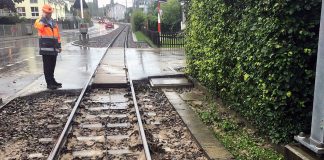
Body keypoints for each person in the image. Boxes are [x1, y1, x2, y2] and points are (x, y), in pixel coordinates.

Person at [34, 4, 62, 90]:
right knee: (47, 67)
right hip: (46, 49)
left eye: (50, 13)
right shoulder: (40, 21)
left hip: (54, 48)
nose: (49, 14)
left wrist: (59, 46)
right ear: (44, 12)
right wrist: (43, 18)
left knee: (52, 66)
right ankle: (49, 83)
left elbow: (57, 35)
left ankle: (52, 81)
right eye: (47, 12)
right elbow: (39, 27)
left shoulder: (53, 22)